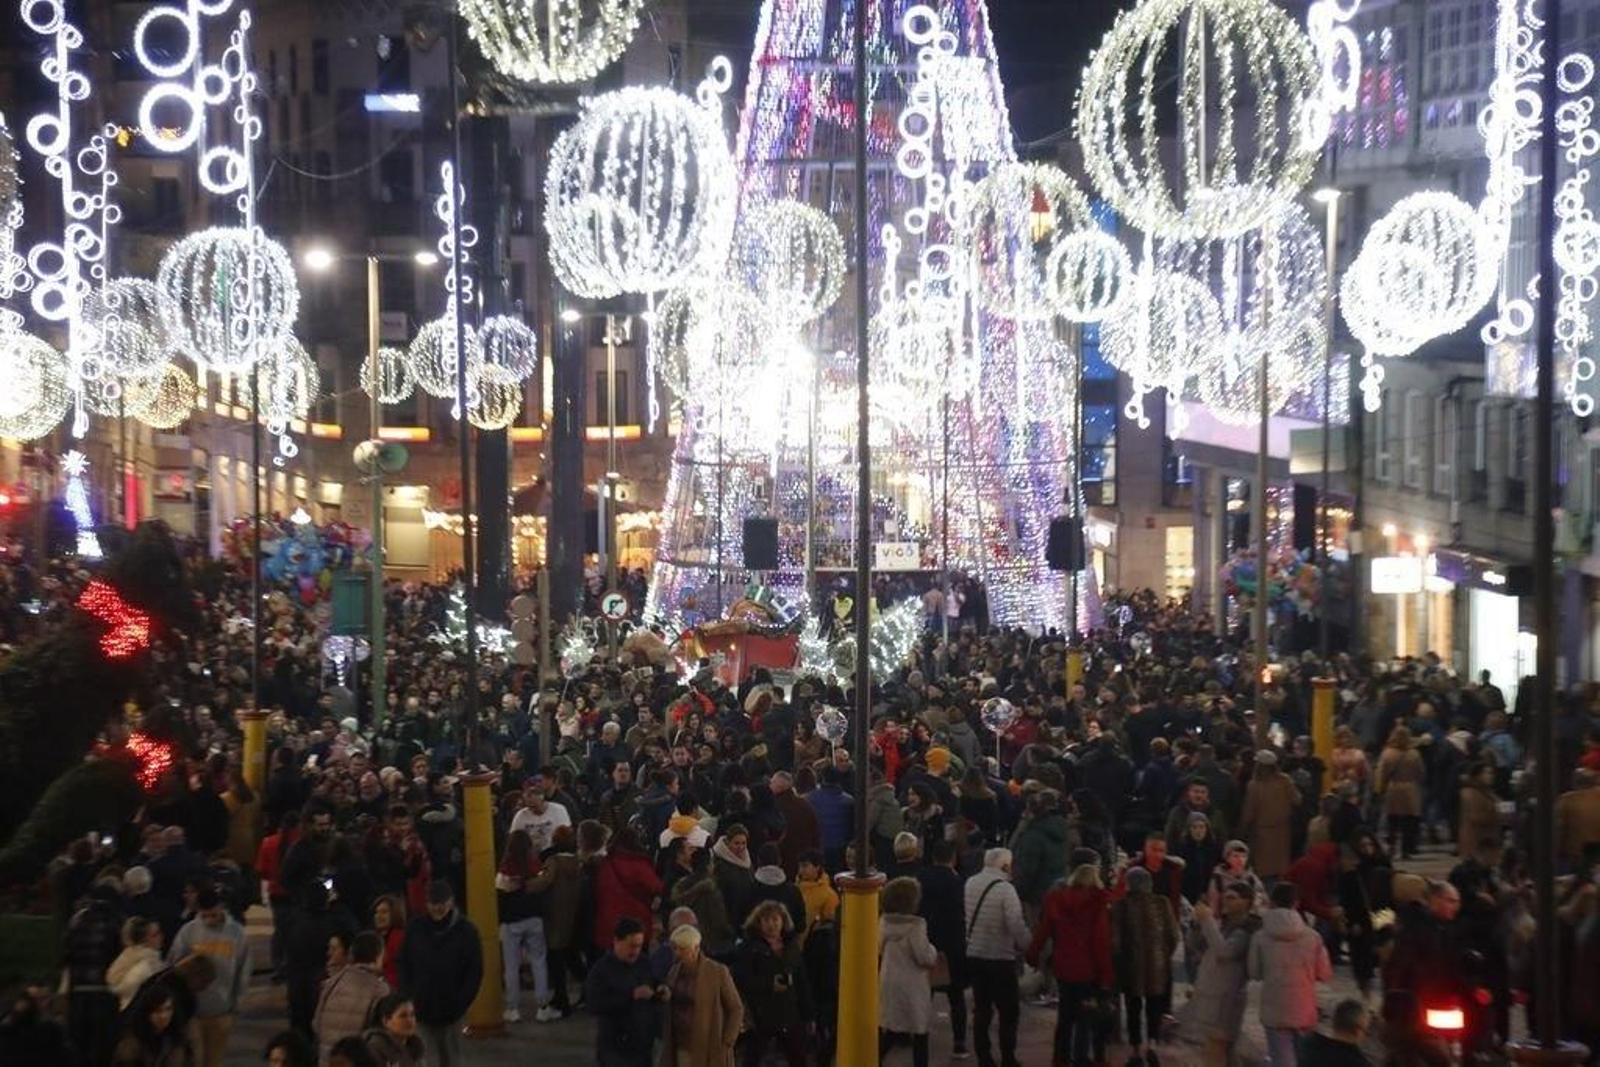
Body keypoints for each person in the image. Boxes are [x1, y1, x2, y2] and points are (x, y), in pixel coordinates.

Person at [1026, 862, 1114, 1067]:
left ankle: (1060, 1058)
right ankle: (1081, 1058)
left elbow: (1043, 930)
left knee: (1065, 1016)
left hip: (1063, 966)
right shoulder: (1097, 902)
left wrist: (1033, 953)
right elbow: (1100, 941)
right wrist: (1106, 975)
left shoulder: (1056, 899)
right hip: (1088, 970)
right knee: (1084, 1017)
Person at [396, 880, 482, 1067]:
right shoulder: (415, 928)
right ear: (426, 904)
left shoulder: (467, 931)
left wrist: (461, 1002)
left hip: (452, 1011)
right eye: (433, 903)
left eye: (442, 903)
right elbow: (403, 962)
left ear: (451, 902)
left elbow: (474, 971)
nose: (438, 908)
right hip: (421, 1009)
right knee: (422, 1060)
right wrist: (408, 995)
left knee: (452, 1059)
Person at [1248, 881, 1333, 1067]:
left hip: (1274, 1008)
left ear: (1272, 902)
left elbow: (1254, 972)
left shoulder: (1260, 937)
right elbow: (1325, 973)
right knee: (1304, 1059)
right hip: (1304, 1007)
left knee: (1281, 1060)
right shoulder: (1313, 937)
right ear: (1297, 904)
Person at [166, 888, 249, 1067]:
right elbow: (174, 966)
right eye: (204, 916)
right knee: (193, 1061)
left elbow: (243, 970)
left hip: (221, 1011)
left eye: (212, 915)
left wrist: (236, 1004)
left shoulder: (237, 933)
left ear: (221, 907)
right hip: (192, 1012)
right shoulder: (188, 932)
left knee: (214, 1061)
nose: (208, 920)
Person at [965, 848, 1032, 1067]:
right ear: (1005, 866)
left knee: (982, 1008)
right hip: (1000, 957)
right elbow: (1015, 924)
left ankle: (984, 1058)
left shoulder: (970, 883)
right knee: (1008, 1011)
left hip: (975, 954)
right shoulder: (1006, 890)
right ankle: (1008, 1058)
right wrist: (1029, 946)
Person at [1183, 884, 1260, 1067]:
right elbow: (1195, 946)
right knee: (1225, 1051)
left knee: (1216, 1050)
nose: (1225, 900)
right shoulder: (1224, 925)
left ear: (1246, 901)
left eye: (1232, 897)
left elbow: (1225, 952)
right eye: (1225, 896)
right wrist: (1196, 924)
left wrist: (1208, 920)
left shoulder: (1246, 928)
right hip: (1213, 997)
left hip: (1226, 999)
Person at [1112, 865, 1180, 1067]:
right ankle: (1152, 1046)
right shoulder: (1162, 903)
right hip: (1156, 966)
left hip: (1130, 966)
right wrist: (1164, 954)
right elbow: (1173, 935)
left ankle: (1135, 1051)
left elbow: (1115, 941)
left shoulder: (1120, 906)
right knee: (1154, 1008)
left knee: (1133, 1008)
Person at [735, 900, 811, 1067]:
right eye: (767, 920)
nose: (772, 924)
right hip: (762, 1014)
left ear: (783, 921)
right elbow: (743, 979)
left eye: (775, 919)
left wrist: (808, 1015)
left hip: (790, 1013)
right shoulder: (749, 948)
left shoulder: (792, 947)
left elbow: (801, 981)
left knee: (798, 1057)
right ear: (758, 922)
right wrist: (770, 984)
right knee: (753, 1057)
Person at [659, 923, 742, 1067]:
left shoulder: (717, 972)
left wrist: (727, 1041)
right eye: (675, 948)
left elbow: (736, 1008)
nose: (678, 953)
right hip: (681, 1044)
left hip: (709, 1047)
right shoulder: (674, 972)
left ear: (696, 948)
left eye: (683, 949)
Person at [916, 839, 970, 1057]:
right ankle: (959, 1043)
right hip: (954, 945)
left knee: (924, 994)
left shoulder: (920, 878)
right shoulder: (959, 883)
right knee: (956, 997)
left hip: (927, 941)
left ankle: (920, 1036)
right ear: (953, 860)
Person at [585, 917, 663, 1067]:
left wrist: (661, 990)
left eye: (639, 946)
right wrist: (631, 995)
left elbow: (654, 984)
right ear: (616, 941)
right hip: (616, 1050)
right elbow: (593, 1004)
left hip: (643, 1047)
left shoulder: (644, 963)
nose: (635, 951)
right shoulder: (601, 971)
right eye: (631, 946)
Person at [879, 876, 937, 1067]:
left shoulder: (883, 923)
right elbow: (924, 957)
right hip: (913, 984)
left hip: (889, 979)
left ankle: (872, 1060)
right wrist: (934, 951)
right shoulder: (916, 926)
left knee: (892, 1028)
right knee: (920, 1031)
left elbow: (877, 949)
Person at [495, 829, 550, 1023]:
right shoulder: (535, 864)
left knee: (511, 967)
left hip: (511, 922)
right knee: (539, 962)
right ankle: (543, 1007)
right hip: (534, 919)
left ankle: (512, 1009)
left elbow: (499, 895)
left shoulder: (505, 867)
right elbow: (542, 888)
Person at [313, 931, 389, 1062]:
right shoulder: (380, 989)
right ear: (379, 956)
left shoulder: (333, 981)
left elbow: (316, 1023)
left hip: (328, 1059)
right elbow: (378, 1034)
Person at [1239, 750, 1300, 884]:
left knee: (1263, 872)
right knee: (1280, 869)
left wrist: (1242, 829)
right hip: (1283, 831)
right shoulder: (1285, 780)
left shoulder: (1254, 785)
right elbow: (1297, 800)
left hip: (1261, 833)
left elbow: (1249, 813)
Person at [111, 984, 196, 1066]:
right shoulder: (132, 1042)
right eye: (157, 1011)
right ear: (147, 1013)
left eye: (168, 1009)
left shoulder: (177, 1039)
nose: (164, 1016)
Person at [1375, 725, 1426, 859]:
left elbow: (1382, 774)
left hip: (1393, 788)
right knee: (1409, 822)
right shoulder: (1414, 754)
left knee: (1393, 820)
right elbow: (1421, 774)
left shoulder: (1387, 753)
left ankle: (1392, 847)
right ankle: (1406, 850)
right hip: (1411, 789)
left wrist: (1380, 789)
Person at [109, 916, 165, 1010]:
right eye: (155, 935)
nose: (161, 936)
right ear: (143, 940)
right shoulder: (144, 968)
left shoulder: (149, 962)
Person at [1301, 998, 1371, 1066]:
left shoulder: (1310, 1048)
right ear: (1358, 1031)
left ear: (1334, 1023)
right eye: (1366, 1031)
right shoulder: (1360, 1063)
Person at [360, 994, 425, 1067]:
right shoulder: (373, 1049)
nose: (410, 1020)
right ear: (386, 1021)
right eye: (403, 1016)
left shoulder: (416, 1048)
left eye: (412, 1015)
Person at [371, 895, 405, 989]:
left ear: (395, 914)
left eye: (384, 912)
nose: (378, 916)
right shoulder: (374, 940)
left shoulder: (401, 938)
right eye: (376, 912)